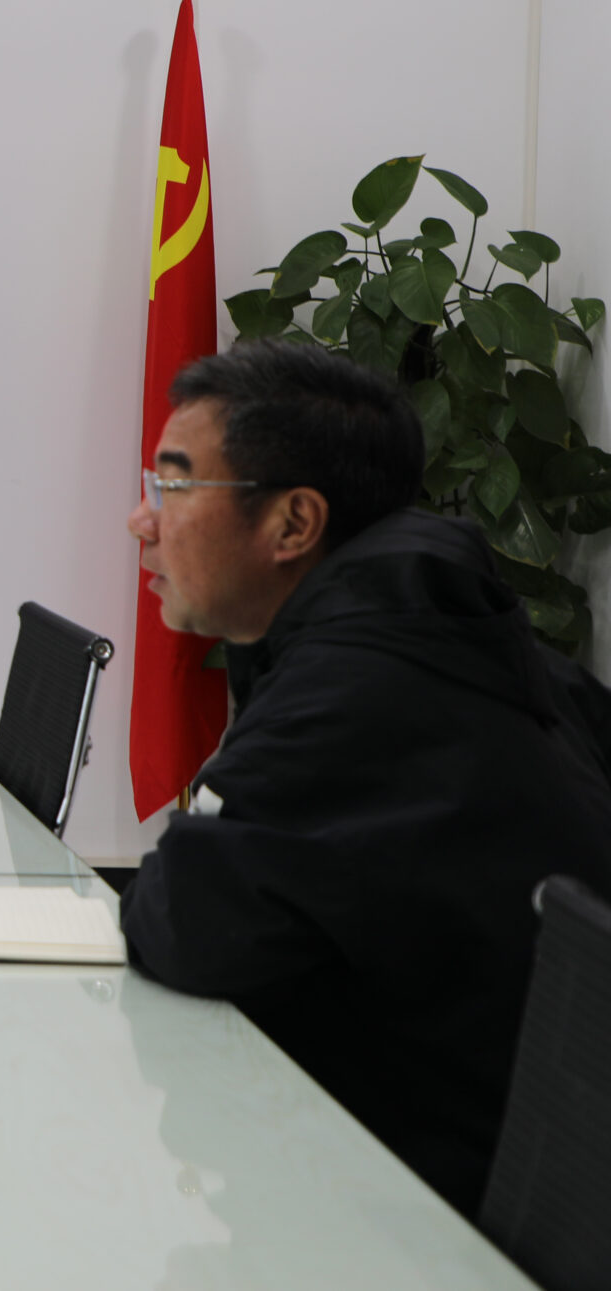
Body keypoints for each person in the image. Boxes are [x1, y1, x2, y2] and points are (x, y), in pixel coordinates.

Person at [120, 337, 611, 1215]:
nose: (141, 519)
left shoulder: (357, 690)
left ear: (294, 524)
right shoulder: (433, 636)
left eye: (174, 486)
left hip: (417, 1217)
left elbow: (185, 919)